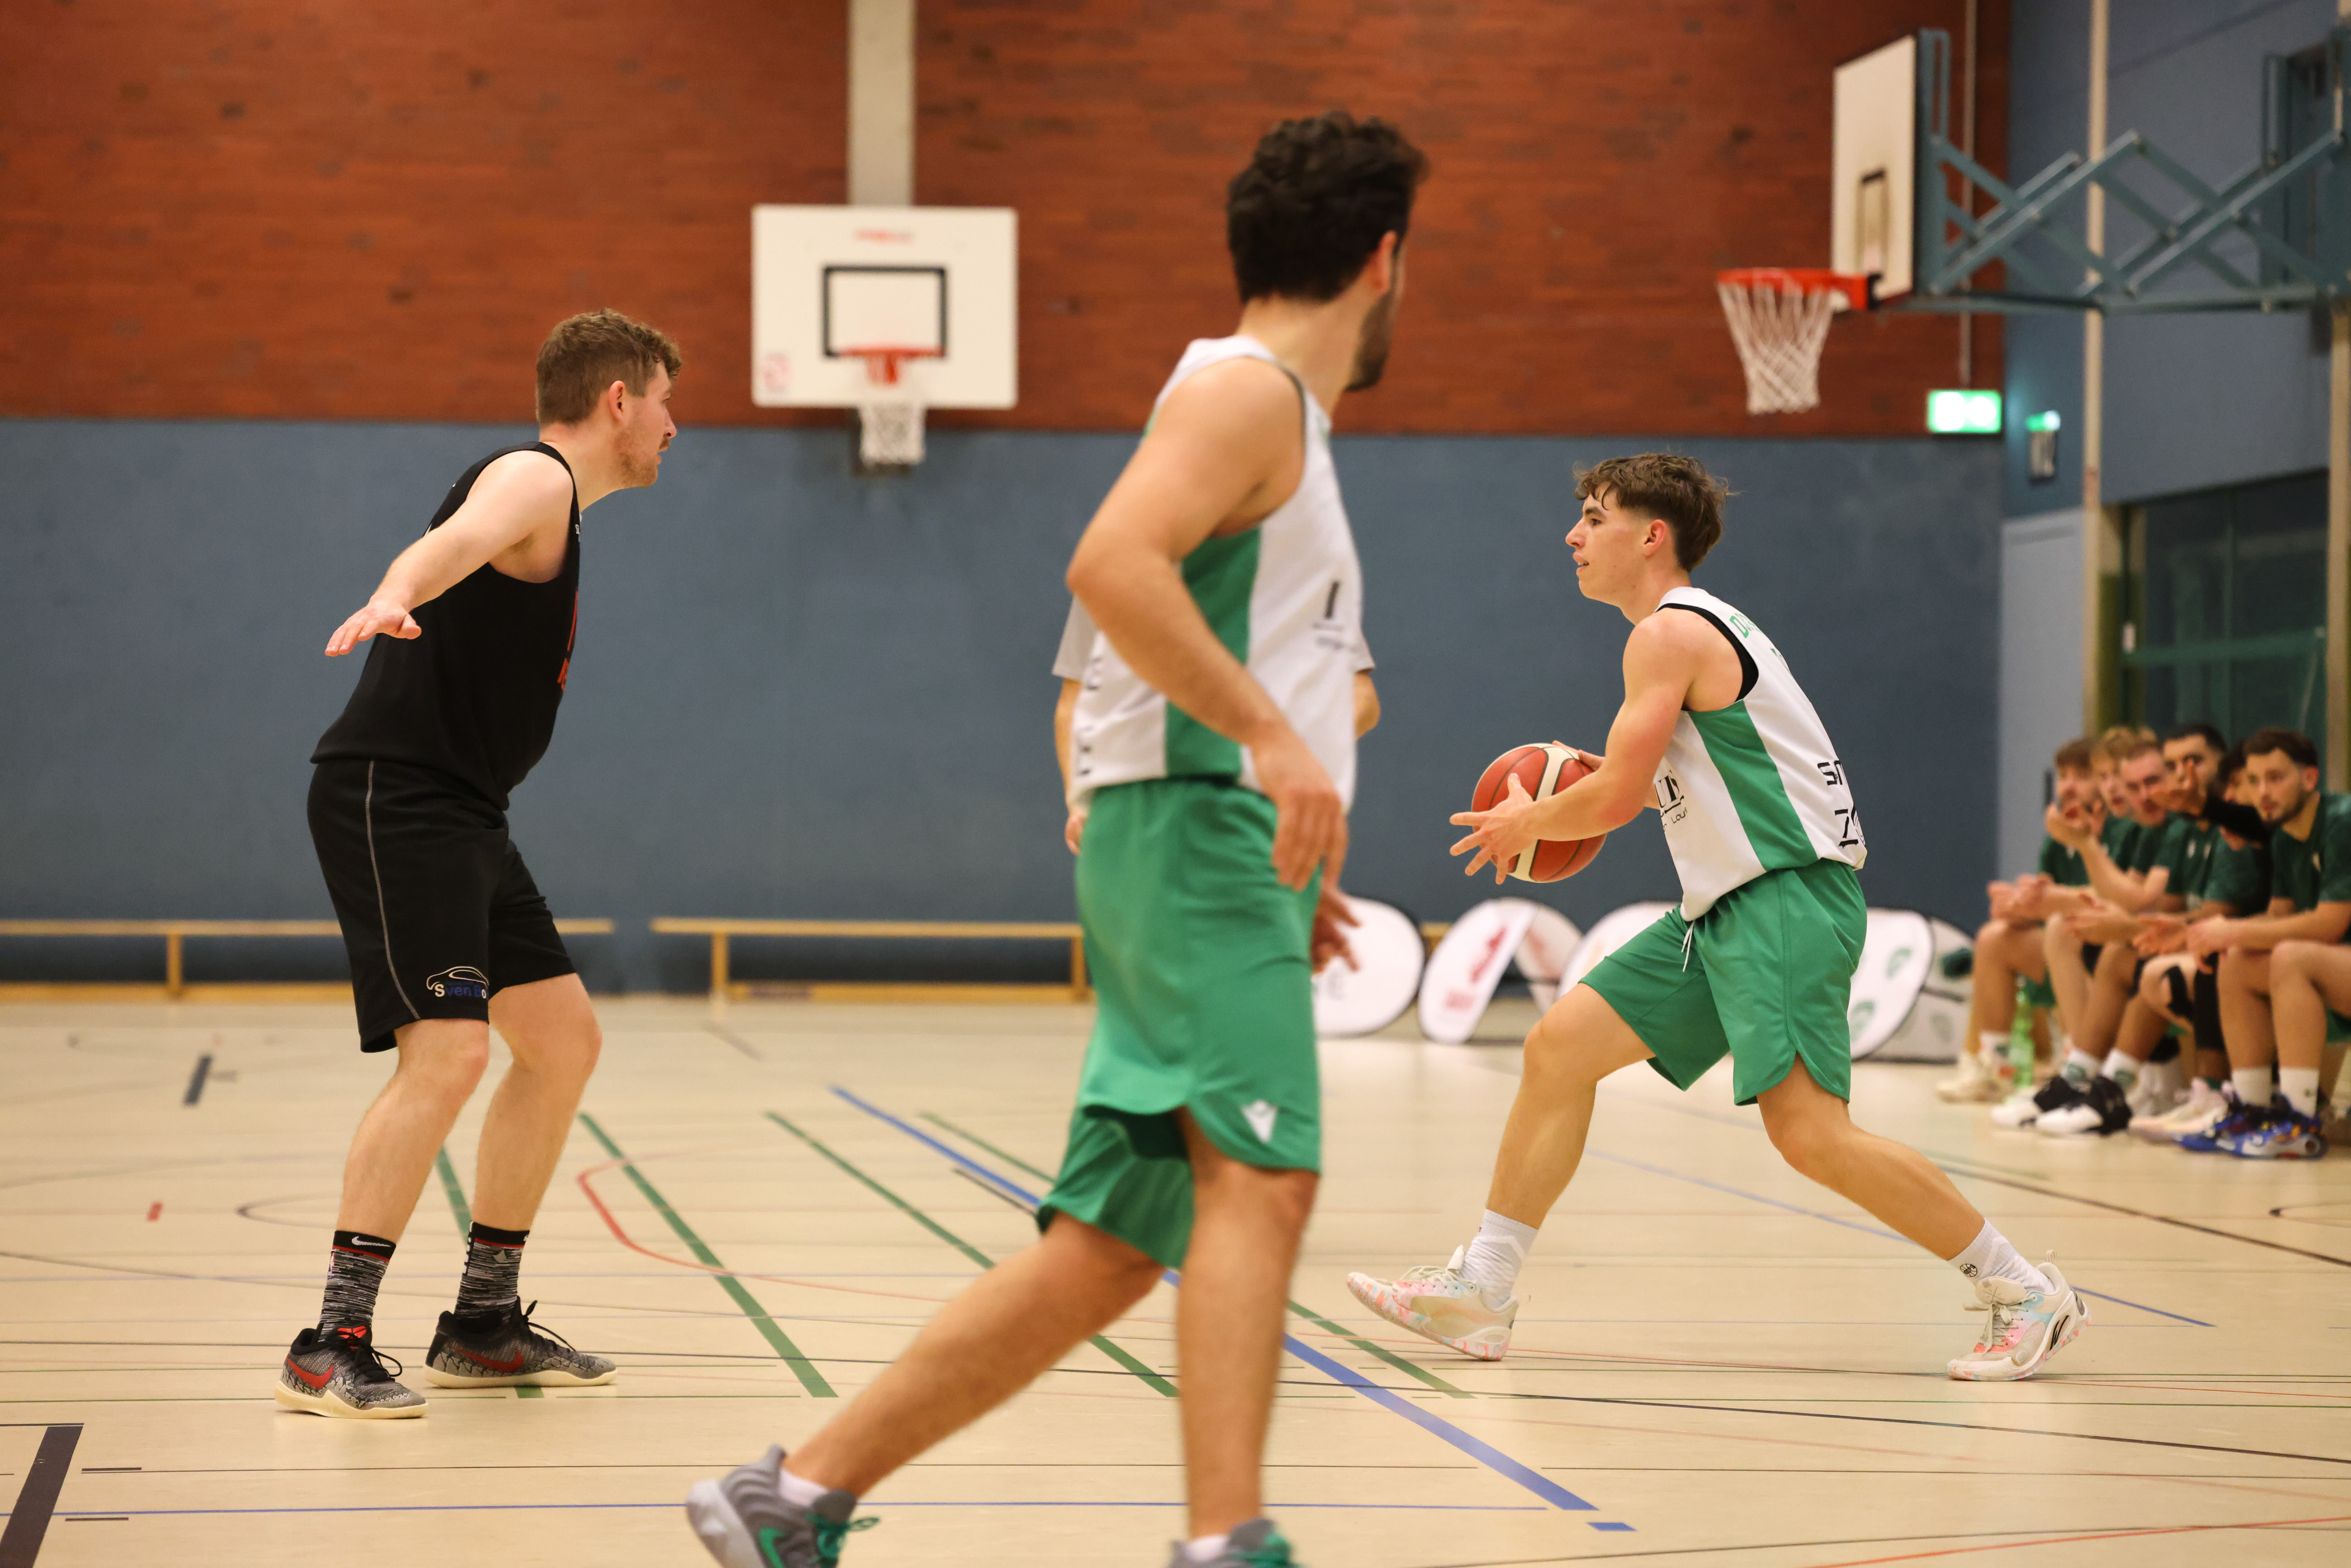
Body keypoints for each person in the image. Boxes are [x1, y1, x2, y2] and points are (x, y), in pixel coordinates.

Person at [684, 111, 1427, 1568]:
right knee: (1264, 1180)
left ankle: (798, 1494)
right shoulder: (1252, 392)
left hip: (1206, 849)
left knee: (1111, 1245)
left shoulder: (1258, 404)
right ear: (1384, 259)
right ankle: (1227, 1541)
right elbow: (1109, 564)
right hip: (1197, 830)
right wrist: (1271, 748)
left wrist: (1284, 864)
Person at [1344, 454, 2088, 1383]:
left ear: (1650, 535)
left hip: (1780, 899)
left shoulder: (1666, 632)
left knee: (1810, 1134)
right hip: (1726, 906)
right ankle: (1481, 1289)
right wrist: (1600, 787)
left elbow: (1616, 795)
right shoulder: (1699, 629)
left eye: (1593, 517)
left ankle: (2025, 1290)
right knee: (1558, 1048)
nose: (1572, 536)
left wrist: (1528, 821)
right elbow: (1671, 781)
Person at [282, 309, 681, 1418]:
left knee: (561, 1042)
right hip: (397, 796)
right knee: (448, 1053)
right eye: (664, 402)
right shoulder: (534, 477)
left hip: (465, 811)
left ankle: (482, 1321)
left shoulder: (558, 508)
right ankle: (330, 1339)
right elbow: (456, 540)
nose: (672, 426)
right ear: (617, 401)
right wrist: (396, 591)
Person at [1055, 601, 1380, 854]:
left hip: (1263, 817)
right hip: (1136, 819)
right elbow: (1075, 702)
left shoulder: (1304, 562)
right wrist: (1079, 805)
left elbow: (1361, 697)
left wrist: (1288, 753)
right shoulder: (1114, 562)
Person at [2182, 727, 2351, 1157]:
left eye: (2276, 778)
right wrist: (2207, 933)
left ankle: (2298, 1121)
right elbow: (2279, 915)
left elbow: (2330, 924)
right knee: (2237, 959)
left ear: (2310, 778)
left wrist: (2233, 930)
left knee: (2291, 957)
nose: (2263, 793)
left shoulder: (2342, 821)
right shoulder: (2286, 837)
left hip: (2336, 958)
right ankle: (2253, 1109)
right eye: (2254, 781)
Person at [1939, 737, 2101, 1102]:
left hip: (2105, 940)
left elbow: (2113, 897)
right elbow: (2045, 900)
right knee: (1995, 938)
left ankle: (2080, 1068)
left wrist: (2044, 903)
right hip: (2070, 936)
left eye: (2082, 776)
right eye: (2063, 776)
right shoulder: (2060, 834)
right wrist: (2017, 907)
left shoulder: (2118, 828)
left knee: (2061, 933)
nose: (2069, 786)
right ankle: (1994, 1069)